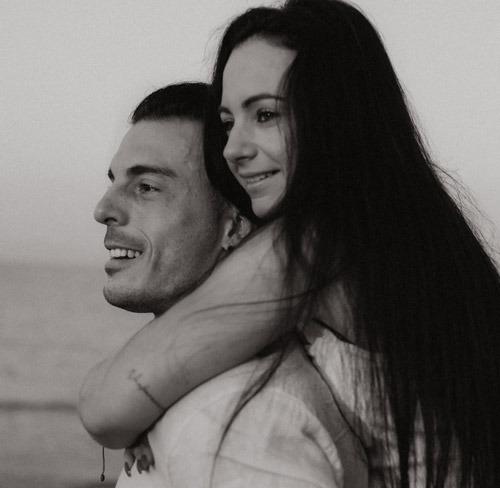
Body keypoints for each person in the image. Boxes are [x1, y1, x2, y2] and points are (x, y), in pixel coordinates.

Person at [81, 1, 500, 487]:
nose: (233, 149)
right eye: (228, 122)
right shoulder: (413, 235)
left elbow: (104, 408)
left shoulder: (311, 246)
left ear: (337, 115)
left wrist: (153, 406)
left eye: (265, 114)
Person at [80, 82, 359, 487]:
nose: (103, 209)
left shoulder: (233, 422)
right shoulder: (178, 396)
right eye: (114, 181)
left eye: (147, 187)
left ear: (234, 226)